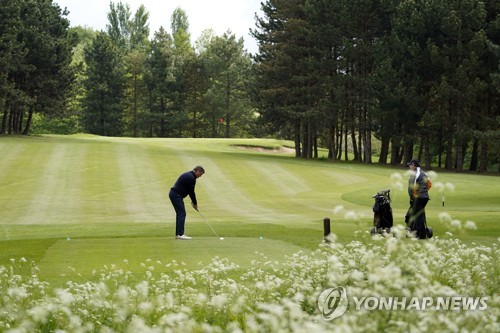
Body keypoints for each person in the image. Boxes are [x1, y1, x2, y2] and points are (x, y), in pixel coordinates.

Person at [169, 166, 205, 240]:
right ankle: (180, 234)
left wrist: (193, 203)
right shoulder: (191, 177)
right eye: (200, 174)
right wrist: (195, 203)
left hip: (175, 195)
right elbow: (191, 192)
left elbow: (189, 191)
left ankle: (178, 234)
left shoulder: (190, 175)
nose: (200, 176)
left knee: (180, 214)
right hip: (176, 195)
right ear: (197, 171)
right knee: (182, 213)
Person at [406, 159, 430, 239]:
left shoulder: (414, 174)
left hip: (418, 198)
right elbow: (430, 184)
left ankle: (421, 235)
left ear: (414, 165)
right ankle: (418, 232)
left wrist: (412, 197)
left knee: (418, 216)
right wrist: (424, 191)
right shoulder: (424, 173)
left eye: (410, 165)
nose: (409, 166)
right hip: (425, 197)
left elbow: (410, 188)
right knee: (420, 214)